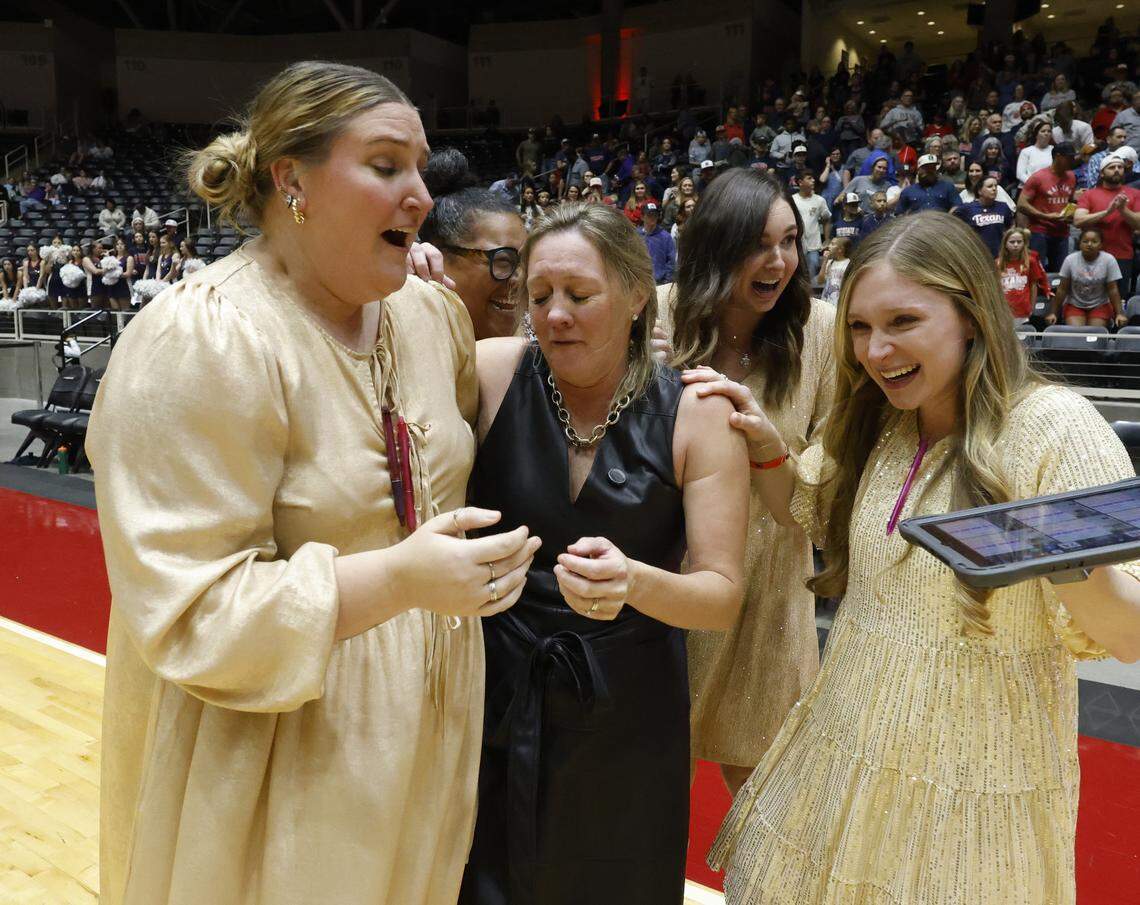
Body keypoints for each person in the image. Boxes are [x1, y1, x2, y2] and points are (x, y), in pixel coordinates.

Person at [87, 61, 539, 905]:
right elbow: (188, 612)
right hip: (273, 750)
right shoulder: (204, 340)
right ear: (292, 180)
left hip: (426, 725)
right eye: (385, 165)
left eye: (421, 167)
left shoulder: (430, 313)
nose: (420, 194)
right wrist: (401, 578)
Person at [696, 210, 1140, 905]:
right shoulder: (878, 421)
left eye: (903, 321)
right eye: (860, 327)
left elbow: (1128, 632)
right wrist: (764, 444)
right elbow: (803, 506)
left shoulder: (1055, 427)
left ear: (971, 315)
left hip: (974, 781)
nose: (876, 351)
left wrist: (1061, 558)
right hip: (848, 747)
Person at [459, 202, 747, 905]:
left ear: (635, 294)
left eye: (579, 296)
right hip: (499, 692)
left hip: (631, 709)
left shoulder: (697, 409)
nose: (555, 315)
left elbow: (721, 595)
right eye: (539, 296)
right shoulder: (492, 371)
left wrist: (636, 581)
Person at [666, 168, 835, 798]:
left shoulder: (819, 331)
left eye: (790, 241)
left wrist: (771, 447)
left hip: (771, 598)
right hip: (667, 593)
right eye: (758, 245)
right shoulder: (655, 316)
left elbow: (825, 488)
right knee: (650, 811)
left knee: (773, 817)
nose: (780, 261)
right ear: (715, 248)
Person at [1074, 154, 1140, 296]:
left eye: (1120, 167)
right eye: (1112, 167)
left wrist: (1123, 210)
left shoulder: (1134, 194)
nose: (1117, 170)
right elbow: (1078, 221)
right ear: (1102, 173)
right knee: (1089, 297)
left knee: (1119, 299)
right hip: (1092, 255)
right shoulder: (1089, 195)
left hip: (1122, 256)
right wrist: (1107, 212)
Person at [1049, 227, 1127, 328]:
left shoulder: (1109, 260)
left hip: (1100, 305)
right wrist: (1053, 313)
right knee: (1077, 334)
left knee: (1094, 333)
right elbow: (1062, 289)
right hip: (1075, 305)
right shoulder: (1070, 260)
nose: (1089, 244)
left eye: (1094, 241)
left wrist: (1119, 313)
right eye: (1085, 241)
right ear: (1080, 244)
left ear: (1101, 245)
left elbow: (1113, 290)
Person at [1018, 142, 1077, 273]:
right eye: (1069, 157)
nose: (1072, 161)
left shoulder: (1071, 177)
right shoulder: (1038, 177)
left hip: (1062, 231)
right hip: (1040, 230)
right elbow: (1021, 205)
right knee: (1037, 271)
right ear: (1058, 156)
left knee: (1060, 272)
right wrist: (1045, 216)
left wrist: (1071, 213)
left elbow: (1070, 200)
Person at [954, 176, 1015, 256]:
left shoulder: (1003, 207)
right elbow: (952, 223)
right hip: (977, 255)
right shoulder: (967, 208)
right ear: (979, 191)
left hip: (999, 255)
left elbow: (1011, 226)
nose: (994, 189)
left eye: (995, 186)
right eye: (990, 186)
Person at [997, 226, 1049, 319]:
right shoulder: (997, 263)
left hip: (1023, 309)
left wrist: (1031, 307)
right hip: (1004, 310)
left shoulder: (1031, 261)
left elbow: (1033, 286)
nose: (1016, 245)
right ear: (1005, 243)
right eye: (1012, 242)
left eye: (1019, 242)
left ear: (1024, 243)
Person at [791, 171, 830, 277]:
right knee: (797, 273)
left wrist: (826, 240)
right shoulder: (792, 200)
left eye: (813, 178)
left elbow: (826, 220)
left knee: (812, 271)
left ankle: (810, 293)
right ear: (800, 182)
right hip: (797, 244)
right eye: (809, 178)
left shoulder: (820, 200)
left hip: (814, 245)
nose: (813, 180)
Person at [639, 201, 676, 284]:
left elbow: (671, 261)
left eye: (655, 215)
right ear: (642, 217)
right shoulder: (636, 235)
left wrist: (667, 280)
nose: (652, 217)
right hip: (641, 282)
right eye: (649, 215)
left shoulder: (665, 236)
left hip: (660, 282)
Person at [1016, 120, 1055, 185]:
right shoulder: (1026, 151)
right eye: (1043, 131)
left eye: (1049, 131)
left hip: (1050, 186)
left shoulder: (1054, 149)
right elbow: (1020, 174)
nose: (1046, 133)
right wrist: (1035, 185)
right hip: (1030, 187)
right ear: (1036, 135)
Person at [817, 236, 851, 305]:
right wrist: (825, 261)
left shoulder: (848, 264)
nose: (829, 246)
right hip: (827, 299)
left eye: (832, 244)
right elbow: (820, 281)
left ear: (840, 249)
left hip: (840, 300)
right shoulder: (829, 262)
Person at [82, 240, 110, 310]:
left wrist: (107, 257)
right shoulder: (86, 259)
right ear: (93, 249)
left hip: (105, 286)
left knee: (107, 309)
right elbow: (95, 271)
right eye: (99, 248)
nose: (102, 250)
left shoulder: (102, 258)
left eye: (102, 248)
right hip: (94, 287)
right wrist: (108, 269)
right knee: (96, 309)